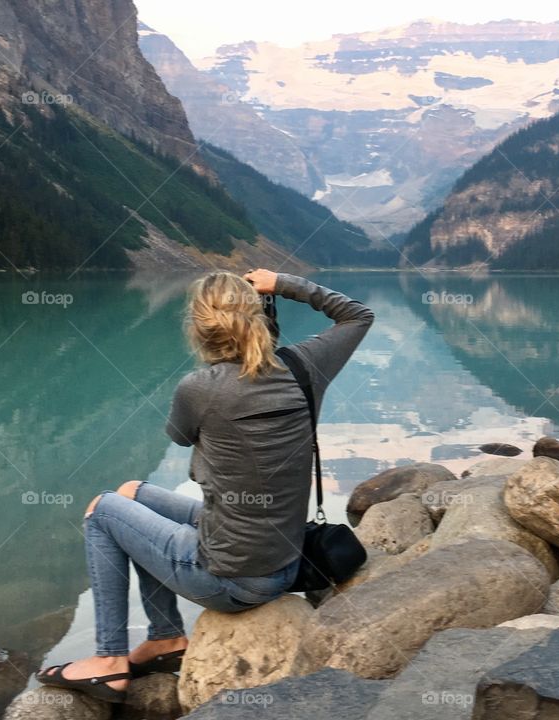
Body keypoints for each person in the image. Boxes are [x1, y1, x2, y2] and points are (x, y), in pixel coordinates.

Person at [36, 269, 374, 702]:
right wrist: (283, 283)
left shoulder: (198, 388)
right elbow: (357, 316)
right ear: (259, 316)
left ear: (199, 328)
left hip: (231, 579)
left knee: (103, 511)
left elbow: (180, 434)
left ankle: (108, 661)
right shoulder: (305, 367)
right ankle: (165, 638)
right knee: (131, 493)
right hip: (283, 561)